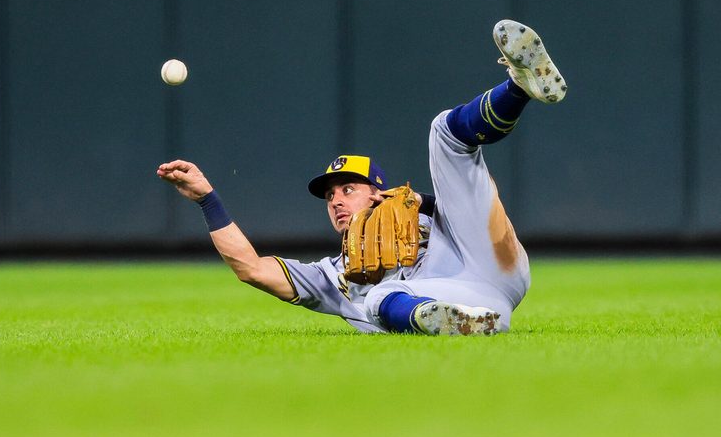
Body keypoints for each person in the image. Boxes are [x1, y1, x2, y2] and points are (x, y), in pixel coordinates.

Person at [157, 20, 566, 335]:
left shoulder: (424, 213)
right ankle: (466, 323)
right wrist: (207, 200)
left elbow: (466, 209)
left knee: (443, 132)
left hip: (492, 263)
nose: (335, 199)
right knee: (381, 296)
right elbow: (252, 268)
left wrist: (423, 201)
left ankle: (518, 86)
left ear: (377, 193)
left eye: (348, 189)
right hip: (463, 301)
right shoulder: (333, 275)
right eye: (329, 194)